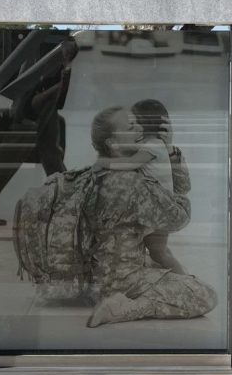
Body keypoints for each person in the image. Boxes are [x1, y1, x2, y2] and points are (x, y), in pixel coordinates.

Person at [85, 105, 217, 327]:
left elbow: (178, 187)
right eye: (131, 126)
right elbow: (178, 216)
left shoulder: (101, 173)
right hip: (122, 278)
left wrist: (168, 152)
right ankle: (124, 308)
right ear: (113, 143)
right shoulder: (135, 183)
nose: (140, 129)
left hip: (97, 274)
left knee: (163, 261)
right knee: (206, 295)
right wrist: (165, 153)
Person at [0, 34, 77, 225]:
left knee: (48, 149)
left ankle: (69, 204)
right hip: (40, 70)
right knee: (25, 142)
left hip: (41, 66)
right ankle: (69, 204)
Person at [104, 98, 186, 275]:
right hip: (157, 209)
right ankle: (177, 275)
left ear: (143, 126)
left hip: (159, 211)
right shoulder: (153, 145)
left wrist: (105, 163)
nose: (133, 127)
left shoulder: (152, 146)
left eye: (134, 123)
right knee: (158, 250)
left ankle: (186, 279)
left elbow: (130, 163)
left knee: (160, 253)